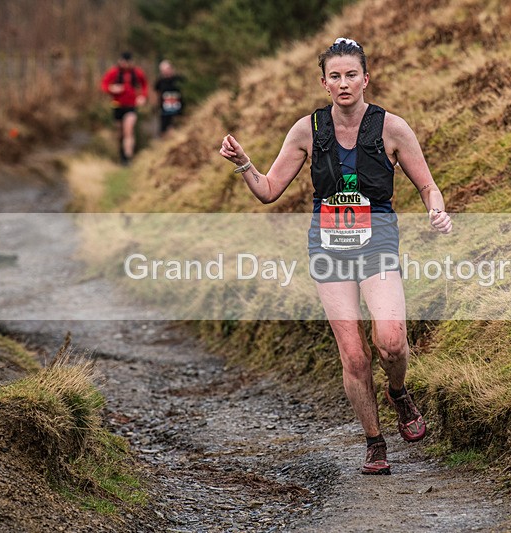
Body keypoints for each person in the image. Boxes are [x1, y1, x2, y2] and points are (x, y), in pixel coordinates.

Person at [218, 37, 452, 475]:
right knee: (354, 355)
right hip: (328, 250)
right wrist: (245, 163)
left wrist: (436, 211)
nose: (343, 83)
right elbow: (269, 191)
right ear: (324, 83)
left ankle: (398, 392)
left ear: (366, 79)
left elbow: (427, 185)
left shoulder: (392, 128)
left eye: (351, 75)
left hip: (377, 244)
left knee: (391, 341)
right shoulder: (307, 130)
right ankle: (374, 442)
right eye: (335, 76)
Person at [101, 51, 148, 165]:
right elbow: (104, 85)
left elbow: (145, 85)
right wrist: (112, 89)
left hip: (131, 106)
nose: (125, 64)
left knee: (129, 130)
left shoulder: (137, 73)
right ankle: (121, 156)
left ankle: (128, 157)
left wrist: (142, 97)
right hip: (117, 106)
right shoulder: (114, 72)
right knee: (120, 132)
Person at [153, 60, 184, 136]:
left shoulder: (179, 80)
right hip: (165, 110)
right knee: (164, 129)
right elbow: (156, 93)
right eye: (163, 70)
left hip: (178, 109)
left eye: (167, 69)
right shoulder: (160, 81)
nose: (166, 72)